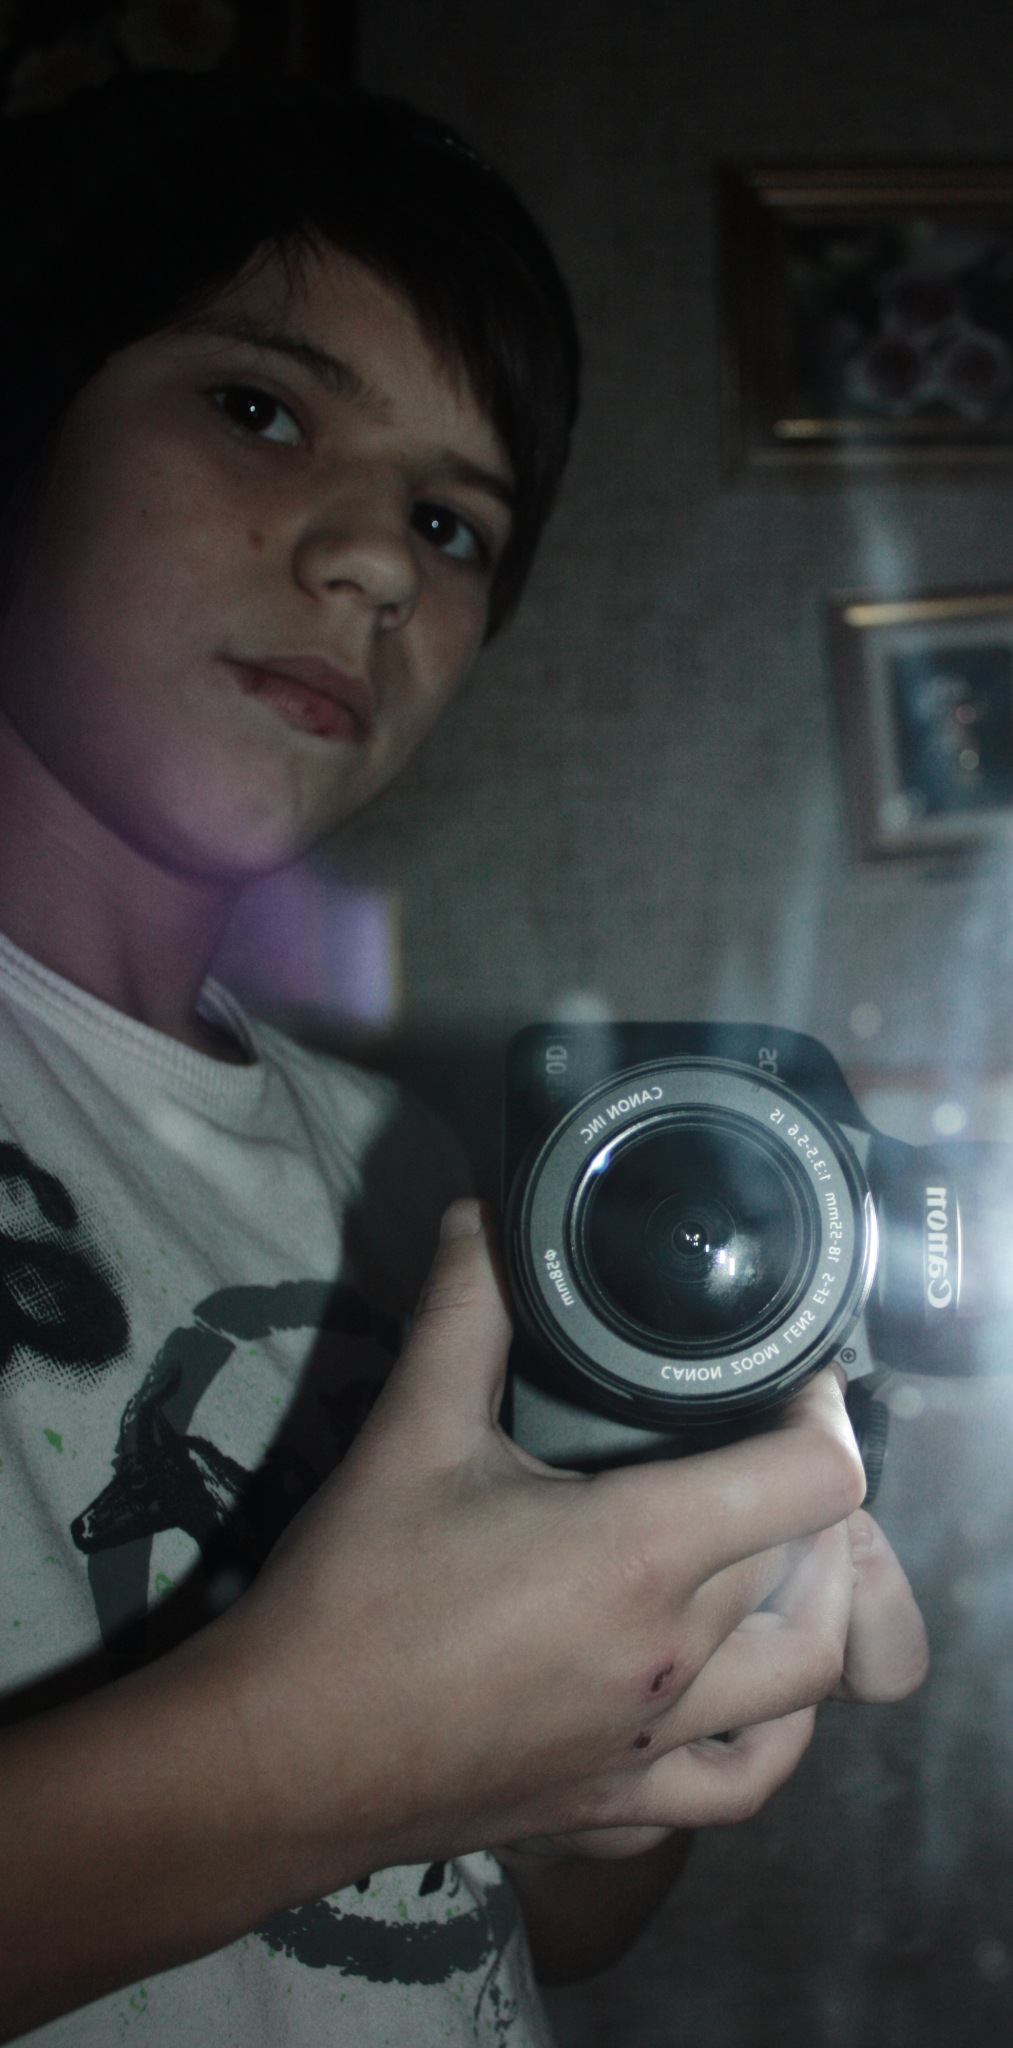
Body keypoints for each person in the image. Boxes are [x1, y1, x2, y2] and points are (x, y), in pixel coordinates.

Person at [0, 70, 927, 2048]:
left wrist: (667, 1697)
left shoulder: (427, 1173)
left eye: (452, 521)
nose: (376, 563)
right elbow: (357, 1776)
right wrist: (310, 1752)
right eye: (260, 408)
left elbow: (538, 1911)